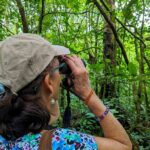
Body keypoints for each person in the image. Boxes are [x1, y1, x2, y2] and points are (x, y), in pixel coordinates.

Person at [0, 33, 132, 150]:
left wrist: (54, 66)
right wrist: (88, 94)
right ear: (49, 82)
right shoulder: (61, 142)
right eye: (59, 70)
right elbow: (123, 145)